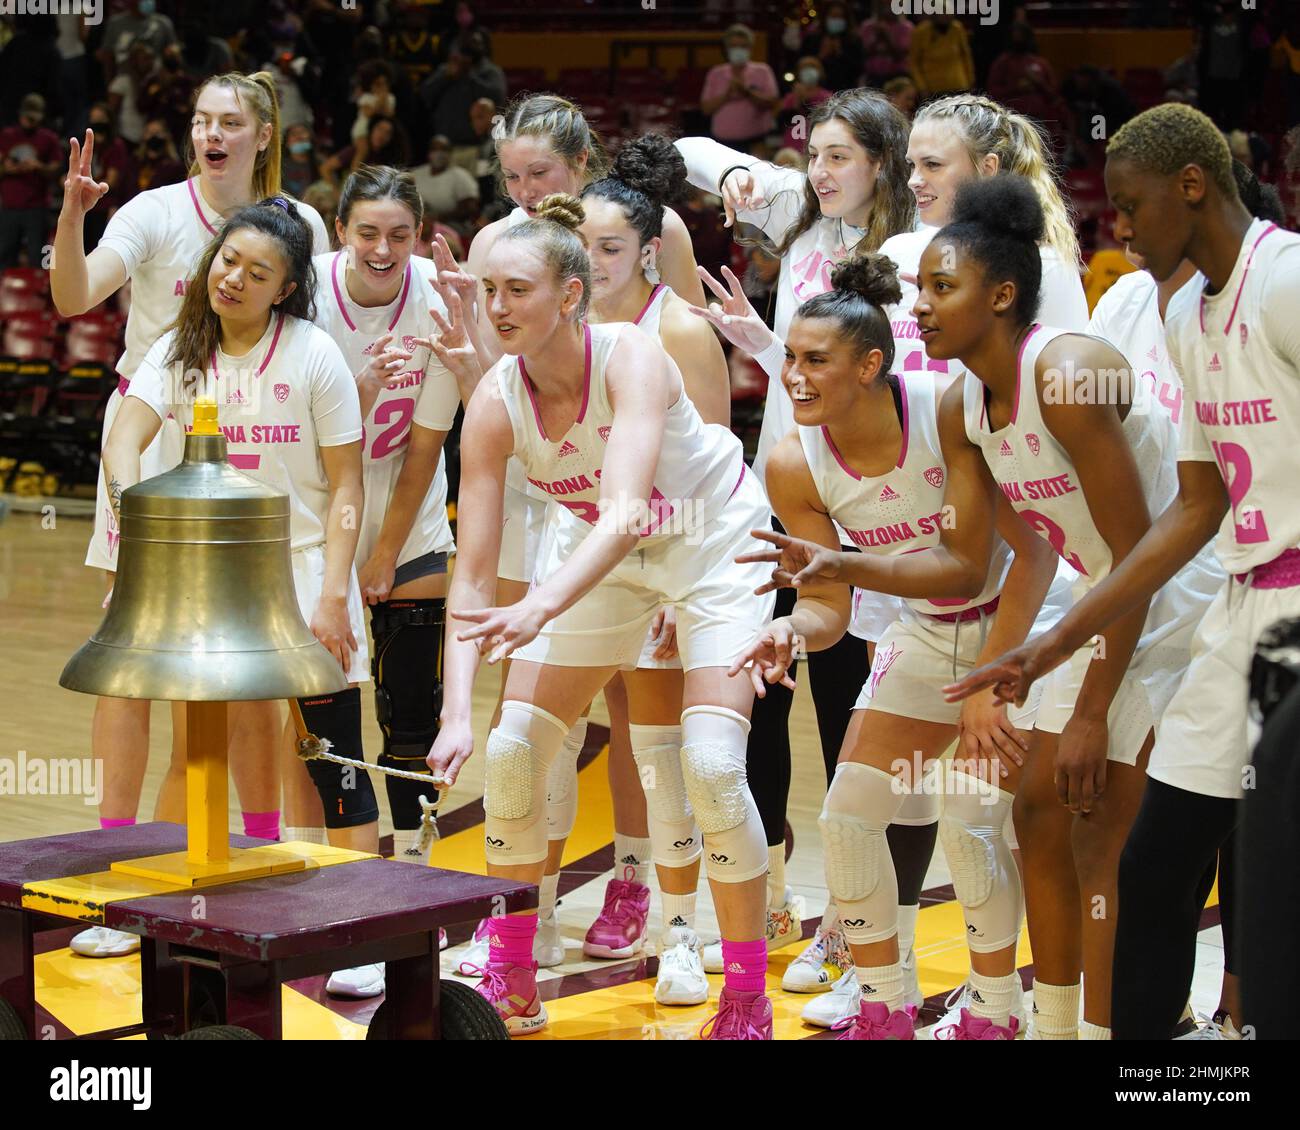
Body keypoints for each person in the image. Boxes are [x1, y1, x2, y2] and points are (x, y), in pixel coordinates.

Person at [948, 104, 1300, 1040]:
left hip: (1284, 613)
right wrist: (1044, 647)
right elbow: (1192, 508)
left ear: (1193, 185)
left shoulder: (1287, 280)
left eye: (1134, 207)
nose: (1123, 231)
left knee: (1267, 873)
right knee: (1150, 864)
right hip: (1237, 599)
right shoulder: (1182, 312)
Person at [427, 194, 777, 1038]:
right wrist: (454, 711)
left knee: (712, 768)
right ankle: (512, 975)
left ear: (571, 294)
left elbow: (625, 511)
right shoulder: (493, 404)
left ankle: (747, 994)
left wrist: (541, 604)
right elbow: (471, 576)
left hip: (711, 540)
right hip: (608, 554)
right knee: (511, 751)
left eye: (517, 290)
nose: (497, 308)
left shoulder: (633, 358)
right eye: (488, 291)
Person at [893, 173, 1218, 1038]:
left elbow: (1139, 553)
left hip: (1179, 601)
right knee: (1034, 807)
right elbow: (988, 559)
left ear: (1002, 295)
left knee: (1097, 828)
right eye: (915, 290)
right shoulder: (965, 404)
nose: (918, 308)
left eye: (940, 287)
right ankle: (1057, 1022)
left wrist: (1091, 708)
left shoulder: (1068, 374)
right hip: (1100, 599)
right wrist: (840, 564)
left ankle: (1117, 1036)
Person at [732, 254, 1062, 1038]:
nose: (796, 378)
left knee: (971, 823)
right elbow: (829, 606)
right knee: (848, 818)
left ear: (873, 364)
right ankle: (886, 1005)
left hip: (1023, 625)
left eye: (817, 360)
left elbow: (1018, 557)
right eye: (789, 359)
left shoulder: (948, 411)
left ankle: (995, 1012)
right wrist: (789, 628)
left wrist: (995, 676)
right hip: (926, 631)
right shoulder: (792, 462)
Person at [50, 71, 330, 960]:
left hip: (257, 440)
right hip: (152, 434)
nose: (211, 132)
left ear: (260, 133)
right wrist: (70, 216)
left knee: (250, 658)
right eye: (201, 120)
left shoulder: (299, 224)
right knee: (128, 648)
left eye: (229, 121)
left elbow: (320, 344)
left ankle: (246, 848)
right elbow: (70, 297)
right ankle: (117, 850)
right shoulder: (150, 212)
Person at [677, 89, 917, 984]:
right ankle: (772, 894)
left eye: (838, 157)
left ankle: (854, 925)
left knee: (852, 710)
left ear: (882, 165)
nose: (818, 172)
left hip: (870, 506)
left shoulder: (906, 259)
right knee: (765, 690)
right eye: (810, 155)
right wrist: (743, 177)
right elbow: (692, 149)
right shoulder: (809, 237)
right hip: (784, 494)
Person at [102, 195, 367, 937]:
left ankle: (319, 913)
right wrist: (133, 515)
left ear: (284, 287)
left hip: (302, 569)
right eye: (227, 260)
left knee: (317, 755)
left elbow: (347, 484)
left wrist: (335, 595)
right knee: (198, 745)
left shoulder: (313, 352)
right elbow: (123, 443)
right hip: (203, 571)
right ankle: (144, 912)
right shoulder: (178, 350)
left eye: (257, 272)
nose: (234, 279)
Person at [297, 165, 462, 998]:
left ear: (422, 236)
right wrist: (347, 555)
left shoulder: (436, 296)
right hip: (318, 530)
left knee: (410, 723)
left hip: (412, 525)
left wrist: (384, 553)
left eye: (401, 234)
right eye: (368, 232)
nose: (384, 249)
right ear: (340, 230)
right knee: (335, 738)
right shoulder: (308, 293)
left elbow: (427, 448)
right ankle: (357, 910)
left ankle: (417, 905)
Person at [0, 94, 62, 270]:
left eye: (33, 118)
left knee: (39, 255)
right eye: (27, 117)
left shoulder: (48, 138)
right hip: (10, 206)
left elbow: (56, 170)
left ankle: (41, 293)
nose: (29, 121)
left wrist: (38, 166)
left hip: (36, 207)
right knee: (5, 254)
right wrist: (7, 169)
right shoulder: (7, 136)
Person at [699, 24, 780, 153]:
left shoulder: (763, 70)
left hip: (756, 141)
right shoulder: (716, 73)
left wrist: (747, 92)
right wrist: (727, 94)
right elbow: (706, 109)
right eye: (734, 46)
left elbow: (772, 102)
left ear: (750, 48)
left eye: (743, 46)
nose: (738, 50)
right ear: (727, 49)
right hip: (723, 144)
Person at [410, 135, 480, 228]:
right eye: (434, 149)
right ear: (428, 153)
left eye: (443, 149)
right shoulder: (416, 173)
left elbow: (471, 208)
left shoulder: (460, 175)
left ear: (450, 153)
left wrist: (440, 218)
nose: (438, 153)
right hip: (419, 223)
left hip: (451, 226)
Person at [908, 14, 974, 97]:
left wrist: (971, 80)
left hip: (959, 86)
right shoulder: (921, 31)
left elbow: (966, 56)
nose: (945, 16)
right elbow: (914, 62)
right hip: (932, 89)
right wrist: (922, 87)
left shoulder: (957, 28)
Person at [778, 58, 832, 154]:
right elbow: (784, 122)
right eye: (805, 68)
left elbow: (824, 120)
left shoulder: (826, 97)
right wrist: (797, 101)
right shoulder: (791, 97)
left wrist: (805, 100)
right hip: (793, 145)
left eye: (812, 67)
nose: (808, 71)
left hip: (817, 145)